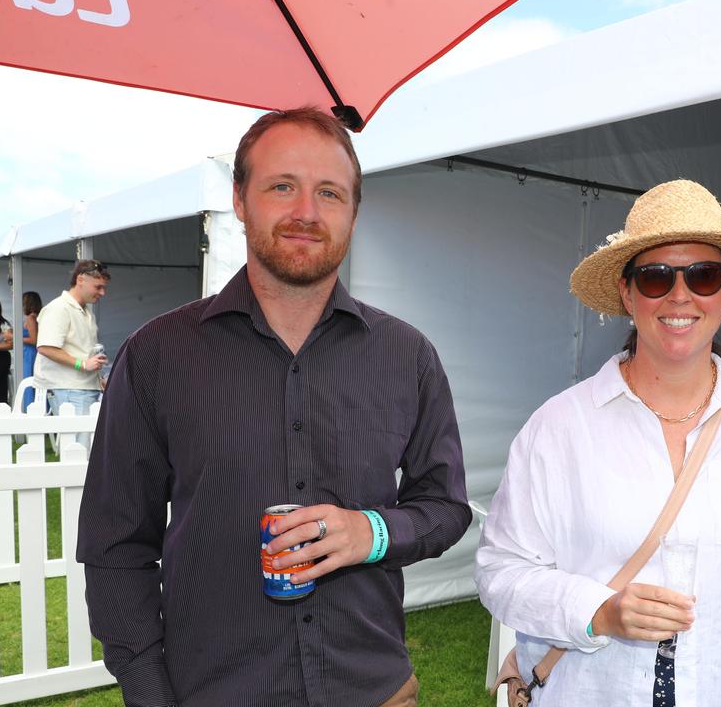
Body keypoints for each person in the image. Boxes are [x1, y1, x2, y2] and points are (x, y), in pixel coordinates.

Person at [77, 107, 470, 707]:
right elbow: (115, 547)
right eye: (282, 186)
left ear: (354, 214)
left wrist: (375, 531)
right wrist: (150, 692)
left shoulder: (408, 356)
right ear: (239, 199)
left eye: (330, 193)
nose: (306, 212)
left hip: (373, 690)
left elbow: (445, 509)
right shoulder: (157, 356)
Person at [477, 179, 721, 706]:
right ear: (627, 294)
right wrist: (597, 610)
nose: (680, 295)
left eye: (704, 275)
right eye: (655, 277)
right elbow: (500, 570)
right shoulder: (560, 426)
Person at [35, 260, 110, 418]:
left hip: (82, 388)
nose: (103, 293)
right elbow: (45, 348)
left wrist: (98, 379)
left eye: (104, 287)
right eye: (98, 287)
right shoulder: (59, 308)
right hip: (69, 389)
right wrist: (82, 364)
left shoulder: (87, 311)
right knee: (77, 442)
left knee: (83, 442)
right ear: (80, 280)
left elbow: (82, 351)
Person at [20, 291, 41, 412]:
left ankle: (30, 407)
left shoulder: (31, 318)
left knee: (29, 380)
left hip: (30, 353)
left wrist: (16, 338)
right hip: (29, 352)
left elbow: (34, 340)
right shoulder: (35, 317)